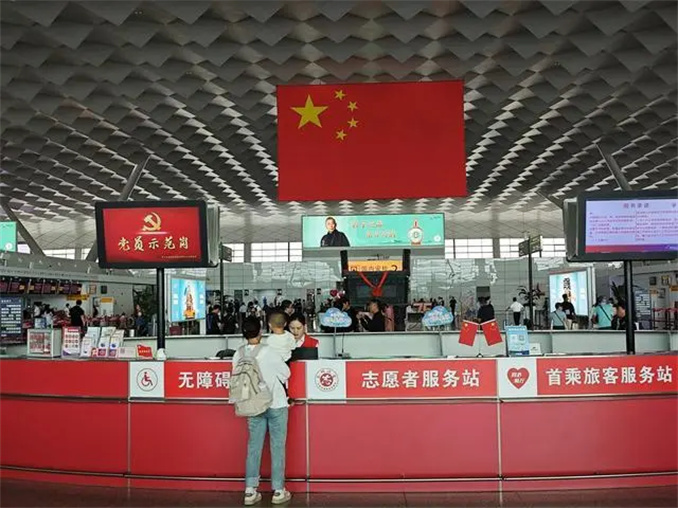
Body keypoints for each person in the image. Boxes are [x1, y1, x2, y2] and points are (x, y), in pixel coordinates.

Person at [232, 317, 292, 506]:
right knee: (277, 447)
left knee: (254, 447)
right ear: (260, 331)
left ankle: (250, 491)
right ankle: (278, 491)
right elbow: (286, 373)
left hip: (252, 406)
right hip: (276, 403)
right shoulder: (269, 351)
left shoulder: (238, 354)